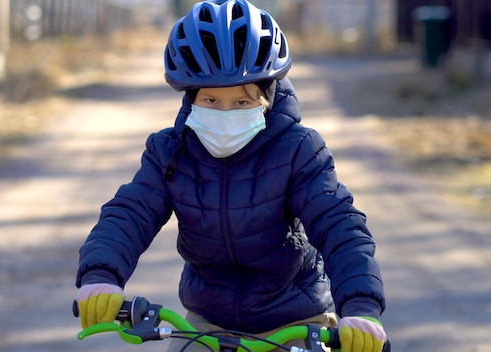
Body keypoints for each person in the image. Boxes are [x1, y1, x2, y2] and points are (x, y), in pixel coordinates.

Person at [75, 1, 387, 351]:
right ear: (190, 100)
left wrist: (361, 307)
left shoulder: (298, 150)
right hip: (208, 324)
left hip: (298, 322)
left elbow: (339, 225)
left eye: (241, 103)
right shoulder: (171, 151)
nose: (225, 113)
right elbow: (131, 212)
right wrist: (101, 275)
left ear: (267, 97)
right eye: (210, 100)